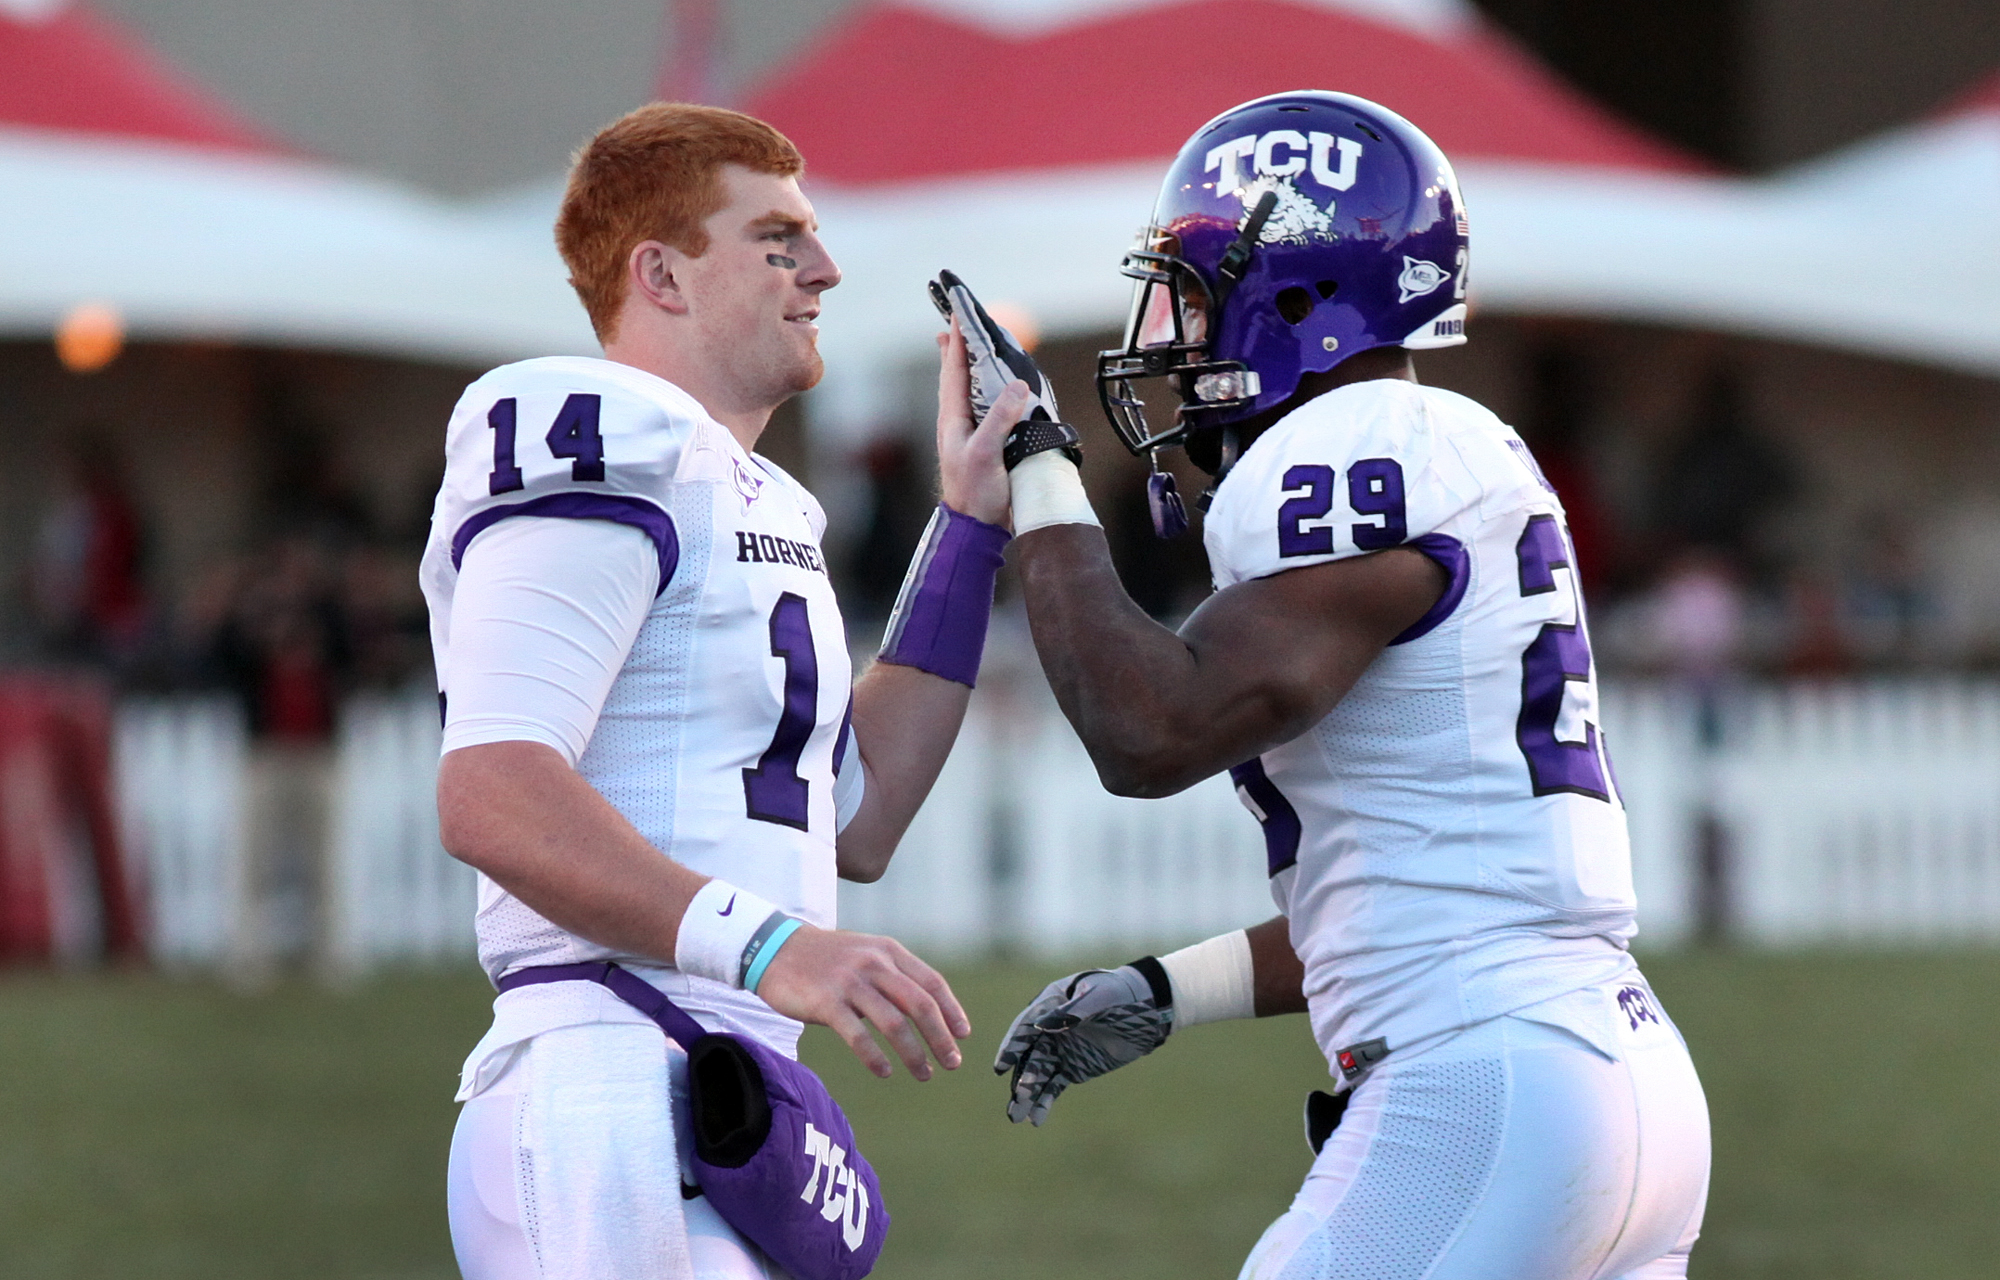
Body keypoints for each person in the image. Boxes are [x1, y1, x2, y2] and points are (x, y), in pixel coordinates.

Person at [968, 92, 1711, 1279]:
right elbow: (1408, 884)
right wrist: (1169, 987)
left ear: (1295, 295)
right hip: (1617, 1072)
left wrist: (1040, 479)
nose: (1171, 334)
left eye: (1193, 293)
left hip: (1487, 1079)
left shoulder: (1344, 447)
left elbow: (1147, 731)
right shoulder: (1452, 445)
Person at [423, 103, 1026, 1280]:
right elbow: (491, 792)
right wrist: (768, 951)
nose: (825, 268)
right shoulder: (595, 426)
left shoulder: (750, 492)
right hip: (607, 1062)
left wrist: (965, 527)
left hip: (707, 1072)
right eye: (775, 239)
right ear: (660, 273)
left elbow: (856, 815)